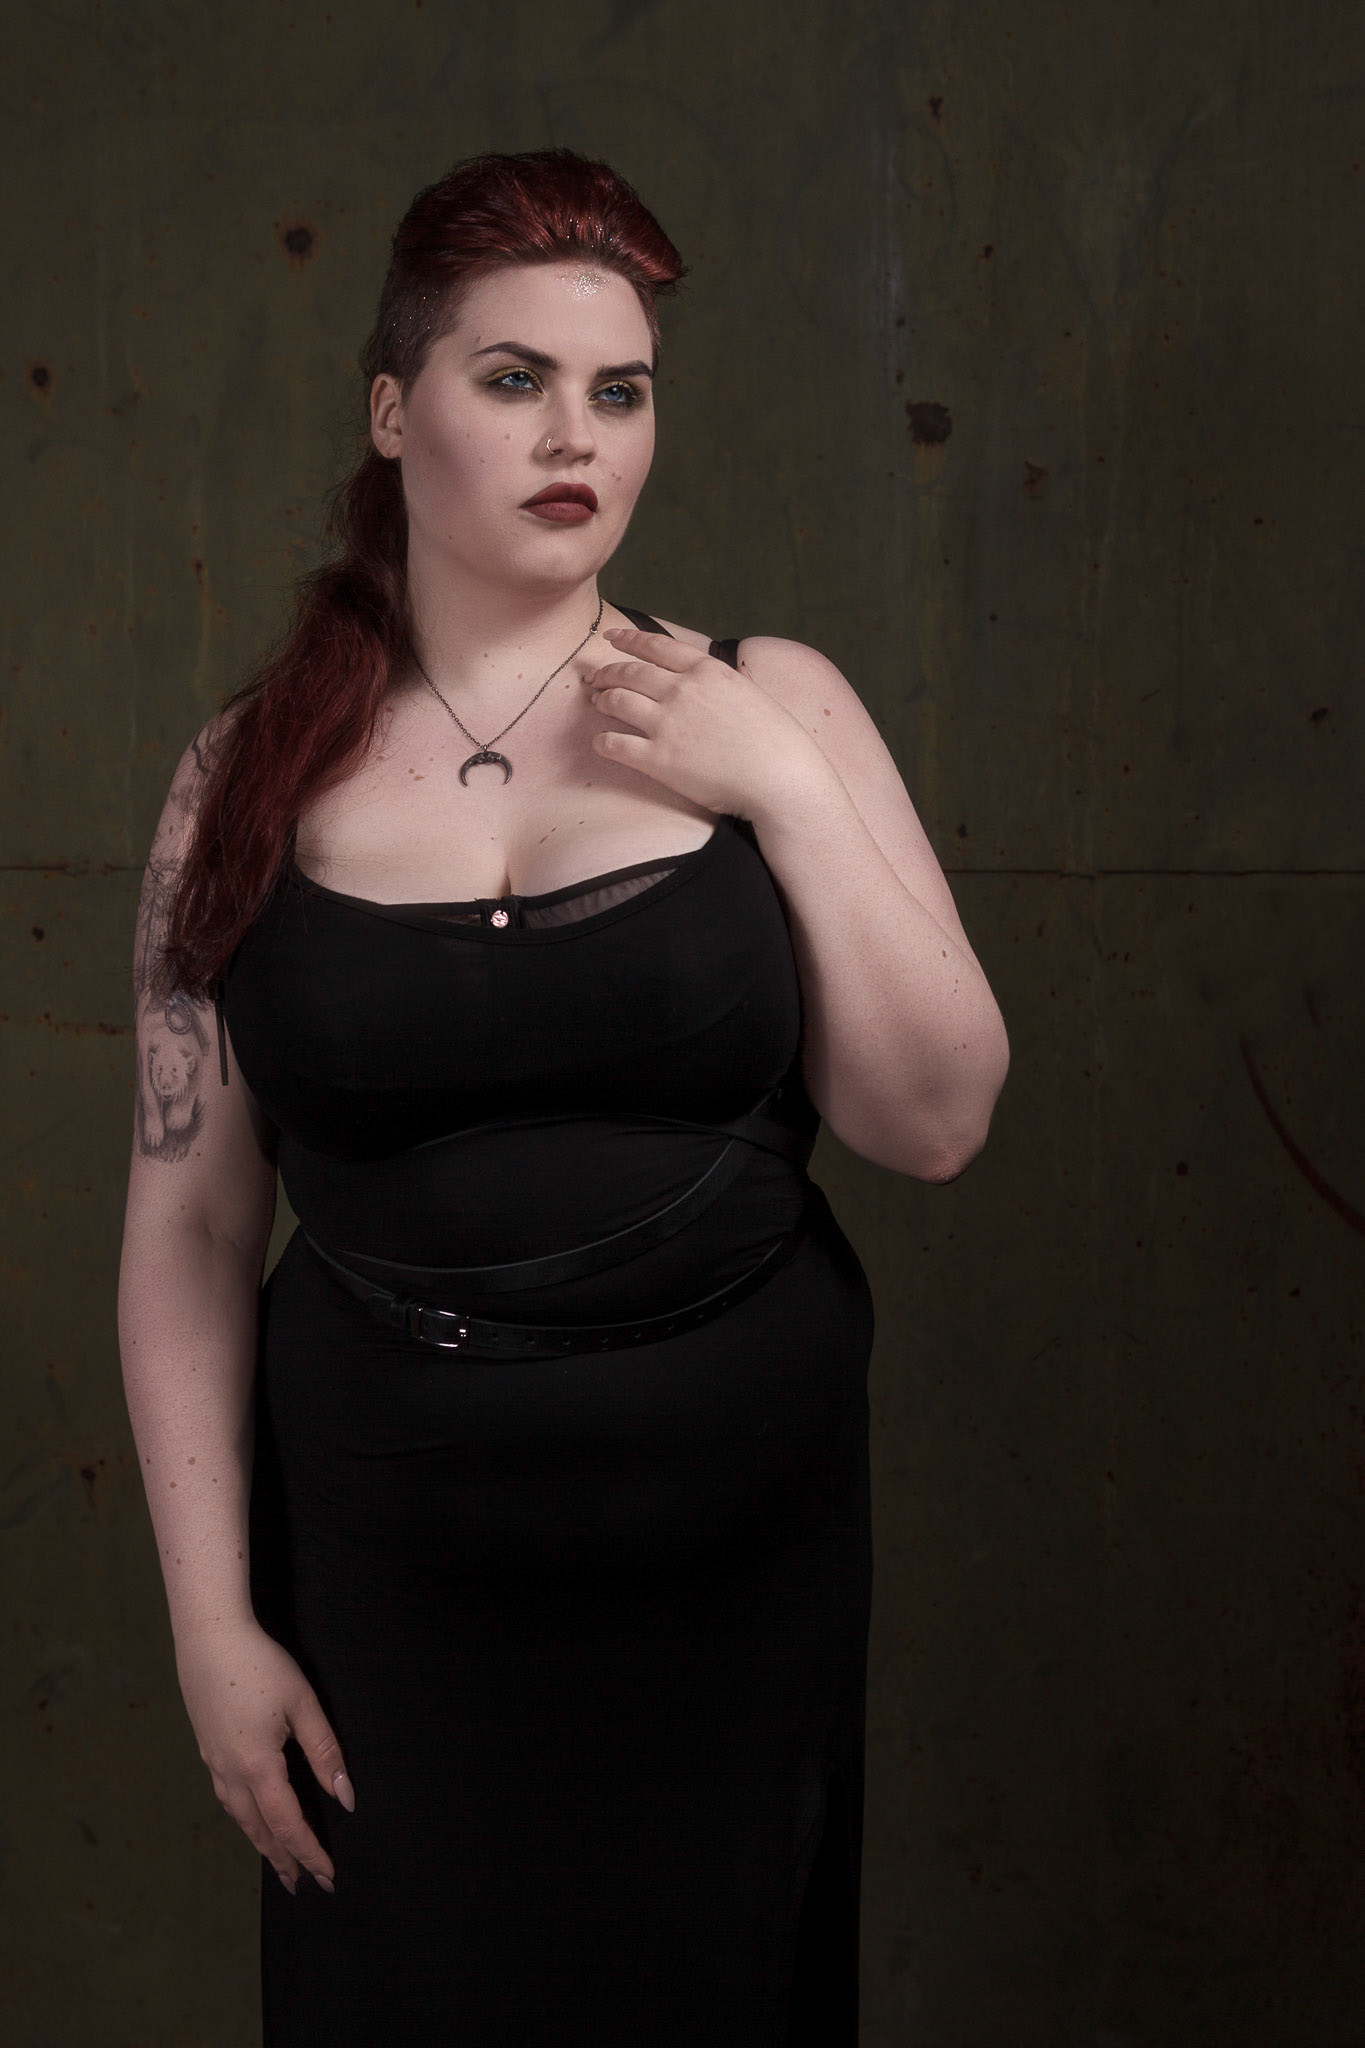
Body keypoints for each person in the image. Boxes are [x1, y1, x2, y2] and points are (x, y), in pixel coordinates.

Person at [117, 147, 1009, 2047]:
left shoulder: (777, 701)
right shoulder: (240, 776)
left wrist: (779, 784)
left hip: (734, 1541)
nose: (572, 436)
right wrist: (210, 1627)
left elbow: (932, 1123)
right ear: (394, 410)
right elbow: (187, 1226)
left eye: (620, 390)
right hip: (389, 1549)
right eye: (512, 378)